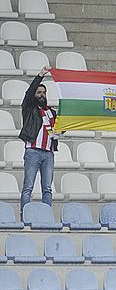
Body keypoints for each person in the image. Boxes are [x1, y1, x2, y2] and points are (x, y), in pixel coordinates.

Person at [19, 68, 56, 209]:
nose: (42, 95)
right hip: (33, 151)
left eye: (44, 92)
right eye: (39, 92)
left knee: (47, 188)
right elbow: (29, 93)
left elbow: (59, 129)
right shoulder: (29, 108)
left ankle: (47, 215)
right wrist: (40, 76)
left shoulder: (51, 112)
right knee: (28, 186)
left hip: (49, 153)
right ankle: (24, 215)